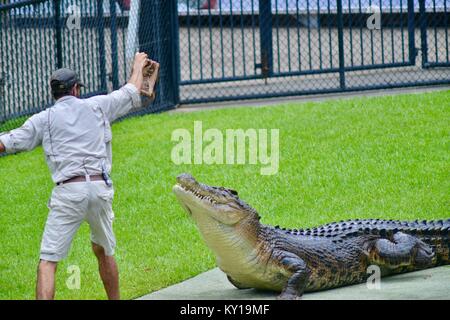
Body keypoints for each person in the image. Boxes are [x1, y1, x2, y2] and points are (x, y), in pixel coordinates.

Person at [0, 52, 157, 300]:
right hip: (99, 188)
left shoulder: (43, 119)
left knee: (48, 262)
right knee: (104, 251)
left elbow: (7, 142)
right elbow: (131, 90)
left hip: (68, 191)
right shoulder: (97, 105)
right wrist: (138, 65)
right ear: (75, 89)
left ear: (54, 93)